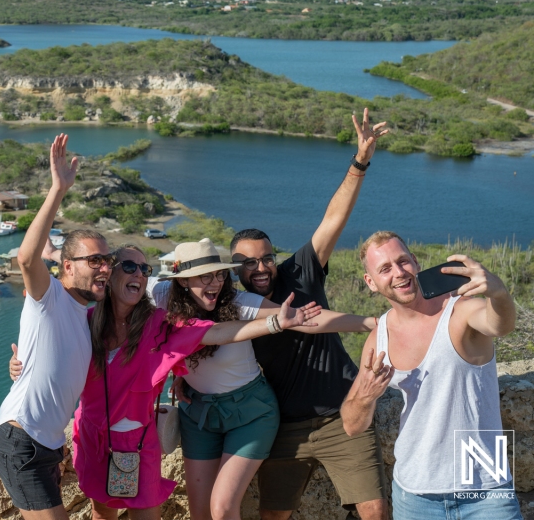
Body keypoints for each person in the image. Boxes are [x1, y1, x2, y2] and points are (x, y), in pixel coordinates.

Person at [172, 108, 391, 520]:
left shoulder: (300, 272)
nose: (260, 267)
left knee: (375, 510)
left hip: (340, 416)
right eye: (247, 262)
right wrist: (177, 376)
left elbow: (334, 218)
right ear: (231, 269)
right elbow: (189, 339)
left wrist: (360, 162)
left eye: (267, 258)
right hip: (281, 427)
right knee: (274, 516)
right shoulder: (227, 303)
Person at [73, 245, 322, 520]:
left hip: (139, 442)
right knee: (102, 514)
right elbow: (53, 356)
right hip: (94, 438)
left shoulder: (158, 324)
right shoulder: (84, 323)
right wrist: (19, 364)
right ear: (110, 273)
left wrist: (275, 323)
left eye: (145, 269)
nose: (140, 274)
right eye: (130, 267)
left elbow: (215, 332)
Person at [149, 239, 375, 520]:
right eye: (205, 276)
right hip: (199, 413)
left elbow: (306, 319)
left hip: (250, 412)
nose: (216, 283)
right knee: (200, 512)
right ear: (183, 281)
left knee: (221, 507)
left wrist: (373, 323)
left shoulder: (241, 303)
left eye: (220, 274)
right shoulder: (162, 295)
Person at [340, 231, 523, 519]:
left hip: (486, 487)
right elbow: (352, 425)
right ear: (371, 282)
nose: (399, 273)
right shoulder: (379, 339)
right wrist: (365, 396)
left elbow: (501, 325)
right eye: (385, 268)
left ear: (415, 261)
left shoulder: (460, 310)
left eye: (403, 261)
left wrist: (497, 292)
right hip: (414, 493)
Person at [0, 134, 114, 520]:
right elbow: (27, 257)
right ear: (67, 267)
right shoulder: (49, 299)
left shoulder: (87, 316)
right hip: (20, 438)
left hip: (47, 445)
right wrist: (58, 190)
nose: (105, 268)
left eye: (107, 260)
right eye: (95, 261)